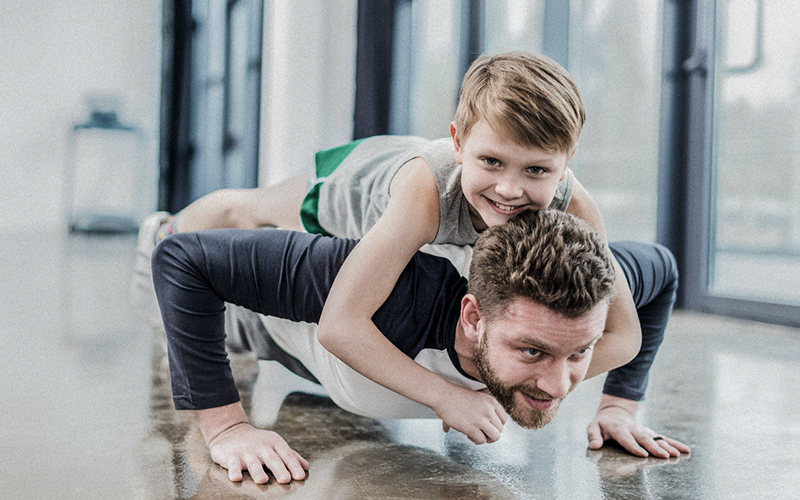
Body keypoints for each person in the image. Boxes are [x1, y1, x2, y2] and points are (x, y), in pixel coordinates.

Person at [137, 52, 648, 456]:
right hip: (351, 189)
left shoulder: (575, 205)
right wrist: (445, 395)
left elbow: (623, 334)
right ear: (459, 143)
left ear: (565, 163)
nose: (510, 189)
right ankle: (167, 229)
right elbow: (341, 324)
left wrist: (516, 383)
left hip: (422, 187)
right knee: (248, 213)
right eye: (491, 161)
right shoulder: (425, 194)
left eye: (536, 170)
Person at [150, 209, 690, 485]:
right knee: (211, 227)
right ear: (473, 316)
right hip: (257, 327)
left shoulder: (588, 295)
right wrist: (225, 426)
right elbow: (183, 262)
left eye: (578, 354)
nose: (557, 386)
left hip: (344, 384)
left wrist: (620, 403)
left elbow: (663, 271)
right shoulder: (394, 289)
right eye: (531, 352)